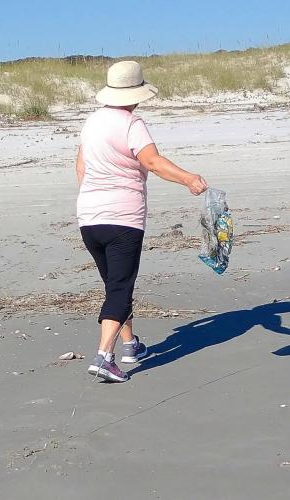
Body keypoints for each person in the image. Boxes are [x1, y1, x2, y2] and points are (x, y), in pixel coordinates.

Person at [76, 61, 208, 383]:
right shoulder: (131, 123)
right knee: (120, 287)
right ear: (135, 94)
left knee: (114, 286)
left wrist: (96, 197)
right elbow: (152, 161)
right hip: (123, 218)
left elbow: (80, 168)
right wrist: (189, 178)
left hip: (89, 217)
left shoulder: (91, 123)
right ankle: (104, 357)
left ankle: (130, 346)